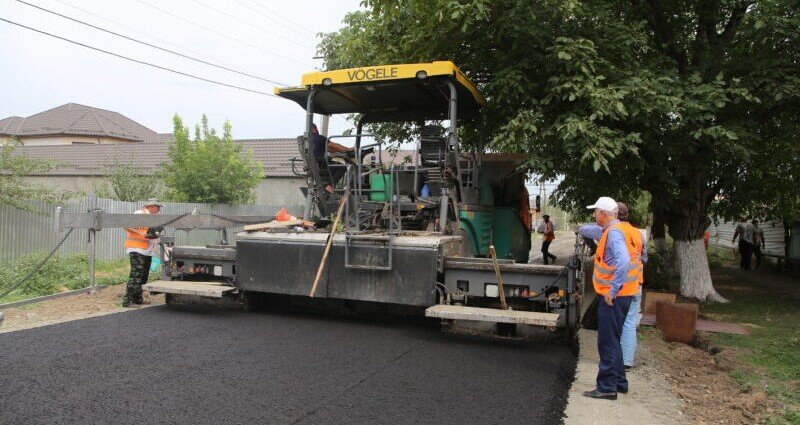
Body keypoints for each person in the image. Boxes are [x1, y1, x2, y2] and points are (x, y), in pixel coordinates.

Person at [579, 196, 642, 400]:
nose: (594, 215)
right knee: (614, 339)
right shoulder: (622, 230)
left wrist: (612, 290)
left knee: (606, 342)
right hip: (627, 292)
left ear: (604, 214)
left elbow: (623, 261)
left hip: (614, 296)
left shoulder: (614, 233)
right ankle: (620, 382)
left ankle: (607, 387)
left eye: (596, 212)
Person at [122, 198, 163, 307]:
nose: (159, 210)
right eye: (158, 207)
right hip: (137, 249)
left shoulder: (153, 218)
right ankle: (128, 301)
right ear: (152, 206)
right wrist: (141, 234)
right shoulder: (140, 214)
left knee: (143, 276)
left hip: (146, 250)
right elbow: (126, 225)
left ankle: (137, 299)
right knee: (136, 275)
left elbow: (151, 233)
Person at [310, 123, 354, 193]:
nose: (317, 130)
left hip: (313, 166)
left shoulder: (308, 141)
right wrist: (348, 149)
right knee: (342, 167)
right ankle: (329, 185)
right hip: (321, 165)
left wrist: (341, 151)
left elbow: (330, 149)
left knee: (333, 164)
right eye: (316, 128)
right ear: (314, 129)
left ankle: (327, 185)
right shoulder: (319, 138)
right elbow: (334, 145)